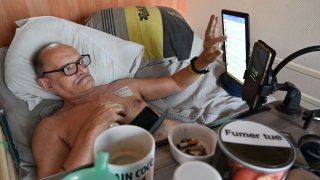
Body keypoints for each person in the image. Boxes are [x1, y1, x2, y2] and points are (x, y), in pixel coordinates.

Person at [32, 15, 227, 178]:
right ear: (46, 84)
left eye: (81, 61)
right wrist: (92, 127)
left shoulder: (123, 86)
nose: (82, 69)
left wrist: (202, 61)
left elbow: (176, 83)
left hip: (194, 153)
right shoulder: (51, 127)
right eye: (68, 68)